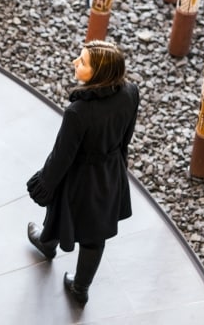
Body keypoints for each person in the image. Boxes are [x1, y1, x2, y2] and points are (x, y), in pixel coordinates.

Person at [26, 40, 139, 306]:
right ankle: (79, 286)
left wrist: (44, 184)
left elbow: (61, 156)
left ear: (99, 73)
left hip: (80, 176)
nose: (75, 62)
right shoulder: (130, 92)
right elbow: (127, 136)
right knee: (96, 233)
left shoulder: (78, 112)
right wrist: (119, 165)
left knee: (61, 210)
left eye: (83, 61)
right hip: (110, 170)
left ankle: (50, 248)